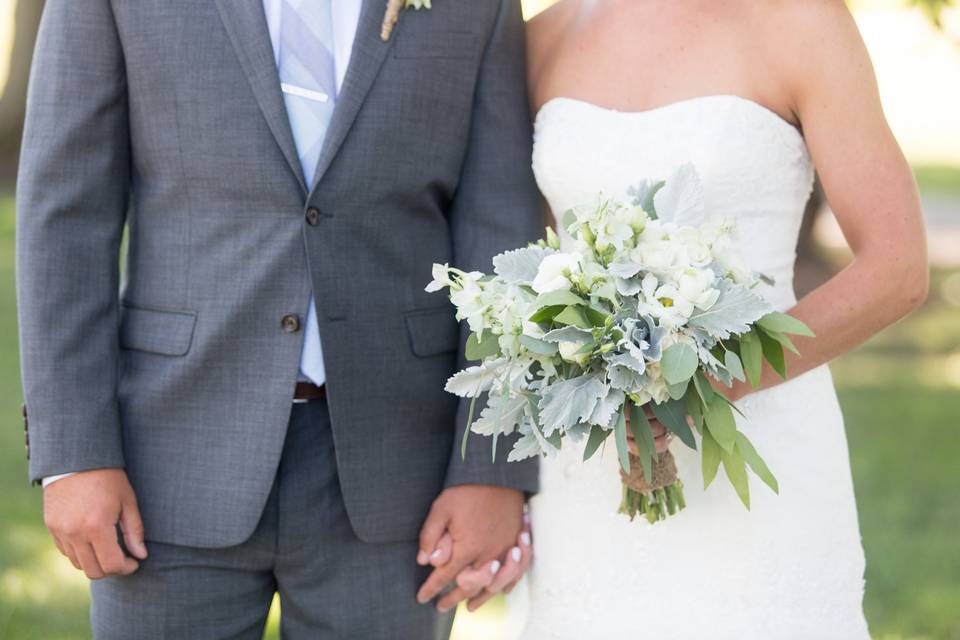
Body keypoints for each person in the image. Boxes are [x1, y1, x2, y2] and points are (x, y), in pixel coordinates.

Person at [17, 0, 540, 636]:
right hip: (167, 463)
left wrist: (489, 464)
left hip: (400, 476)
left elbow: (501, 238)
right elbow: (65, 218)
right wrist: (76, 455)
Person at [512, 0, 928, 637]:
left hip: (763, 440)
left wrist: (705, 384)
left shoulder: (803, 21)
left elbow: (897, 267)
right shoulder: (542, 37)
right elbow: (530, 265)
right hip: (593, 467)